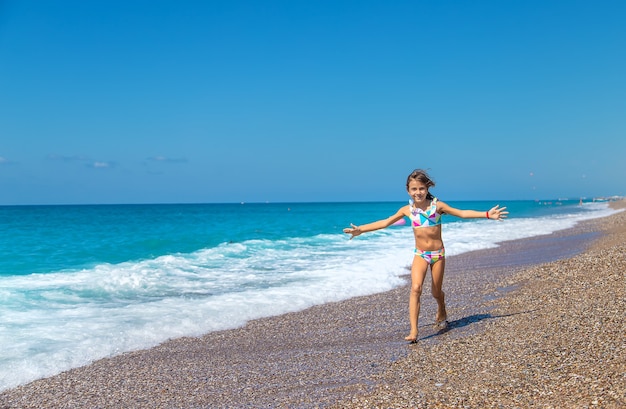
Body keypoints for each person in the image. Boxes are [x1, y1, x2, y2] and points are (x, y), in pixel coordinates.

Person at [343, 169, 508, 343]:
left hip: (438, 254)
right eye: (414, 189)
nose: (418, 192)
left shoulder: (438, 206)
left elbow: (462, 213)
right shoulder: (407, 210)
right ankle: (413, 331)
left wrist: (488, 214)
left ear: (427, 188)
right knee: (415, 288)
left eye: (421, 188)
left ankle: (441, 307)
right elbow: (385, 222)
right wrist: (361, 230)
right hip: (420, 255)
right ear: (408, 190)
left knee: (436, 292)